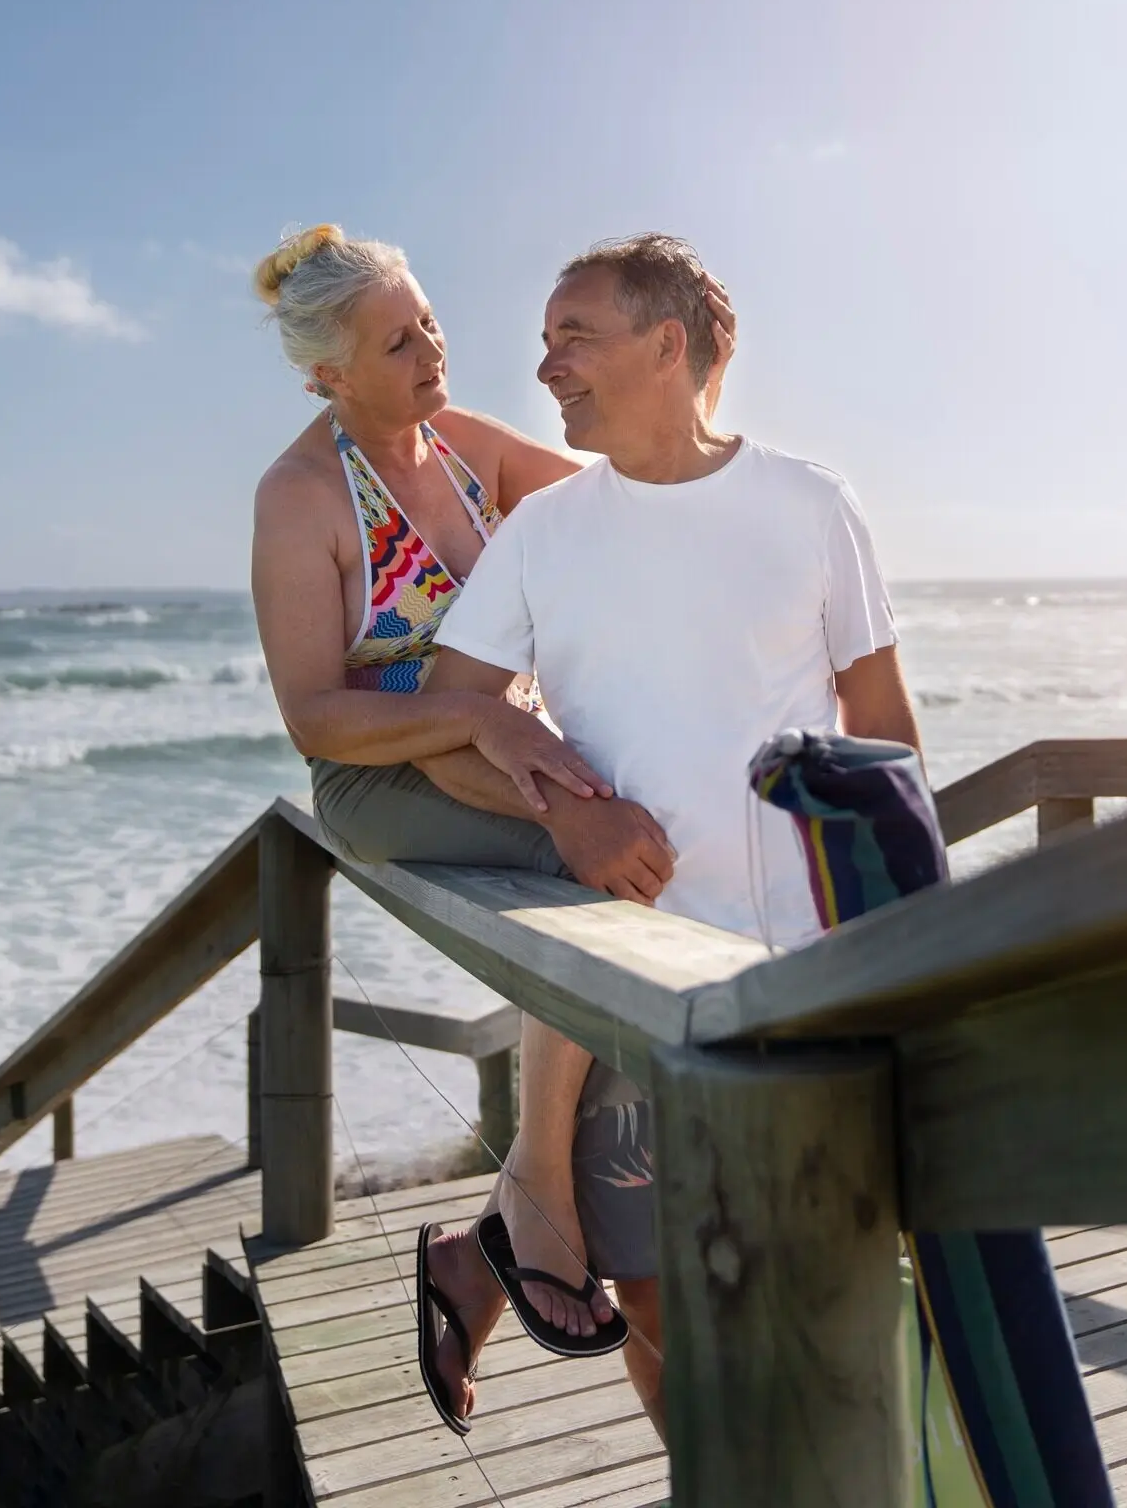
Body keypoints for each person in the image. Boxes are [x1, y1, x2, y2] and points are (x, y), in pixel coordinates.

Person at [419, 232, 921, 1435]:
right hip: (623, 989)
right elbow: (450, 716)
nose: (546, 365)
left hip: (799, 981)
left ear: (668, 345)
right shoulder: (543, 533)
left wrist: (913, 952)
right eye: (544, 341)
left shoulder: (808, 504)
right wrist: (570, 812)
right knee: (653, 1292)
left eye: (572, 335)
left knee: (818, 1278)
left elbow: (886, 734)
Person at [249, 222, 735, 1405]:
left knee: (647, 858)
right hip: (383, 773)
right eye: (396, 340)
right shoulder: (303, 495)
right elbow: (315, 714)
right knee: (615, 876)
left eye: (427, 321)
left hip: (501, 744)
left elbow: (624, 491)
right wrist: (486, 726)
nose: (431, 350)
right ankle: (536, 1201)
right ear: (328, 372)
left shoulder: (464, 446)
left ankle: (494, 1241)